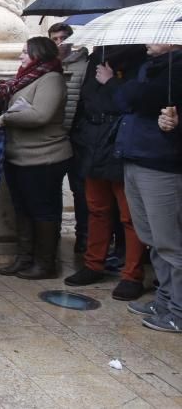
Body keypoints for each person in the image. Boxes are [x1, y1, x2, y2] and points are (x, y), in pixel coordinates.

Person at [64, 45, 147, 302]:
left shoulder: (140, 62)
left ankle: (132, 275)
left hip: (121, 144)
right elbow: (89, 100)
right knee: (96, 209)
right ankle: (93, 264)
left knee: (129, 216)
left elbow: (131, 104)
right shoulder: (96, 57)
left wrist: (110, 83)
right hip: (93, 143)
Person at [114, 43, 182, 333]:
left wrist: (177, 124)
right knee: (151, 237)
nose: (147, 42)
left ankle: (179, 310)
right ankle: (164, 300)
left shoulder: (176, 69)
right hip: (137, 157)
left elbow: (136, 96)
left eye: (156, 37)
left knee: (170, 242)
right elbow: (122, 98)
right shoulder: (150, 66)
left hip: (162, 164)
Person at [0, 37, 71, 280]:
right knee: (22, 209)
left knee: (43, 212)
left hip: (44, 158)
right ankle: (24, 257)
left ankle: (45, 263)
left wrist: (7, 117)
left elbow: (41, 115)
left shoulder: (52, 79)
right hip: (18, 157)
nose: (20, 57)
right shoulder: (25, 78)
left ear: (38, 54)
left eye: (25, 52)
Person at [50, 22, 90, 253]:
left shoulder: (84, 65)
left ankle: (83, 237)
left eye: (63, 38)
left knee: (80, 189)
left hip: (76, 135)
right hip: (55, 136)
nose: (59, 43)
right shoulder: (50, 66)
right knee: (52, 189)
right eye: (54, 39)